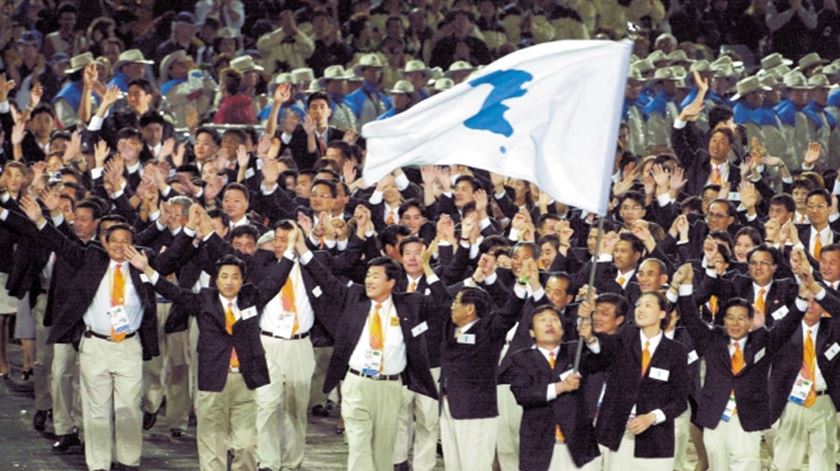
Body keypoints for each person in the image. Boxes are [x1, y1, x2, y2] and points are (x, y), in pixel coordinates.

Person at [17, 197, 159, 471]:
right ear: (103, 242)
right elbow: (61, 243)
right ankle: (99, 465)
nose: (119, 245)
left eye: (125, 240)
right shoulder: (90, 259)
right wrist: (38, 219)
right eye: (113, 240)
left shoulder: (142, 265)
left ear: (133, 243)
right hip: (95, 345)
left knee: (128, 408)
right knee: (96, 411)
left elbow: (174, 254)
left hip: (128, 346)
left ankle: (128, 461)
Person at [295, 227, 446, 471]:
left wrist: (428, 268)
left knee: (383, 450)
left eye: (376, 276)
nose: (369, 280)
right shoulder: (355, 297)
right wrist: (302, 248)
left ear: (391, 282)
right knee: (358, 445)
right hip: (357, 383)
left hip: (390, 386)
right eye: (368, 275)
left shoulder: (410, 304)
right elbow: (327, 281)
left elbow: (443, 303)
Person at [130, 242, 290, 471]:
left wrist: (293, 250)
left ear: (242, 280)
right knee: (211, 442)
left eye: (234, 277)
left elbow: (275, 281)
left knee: (246, 445)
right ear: (215, 280)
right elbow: (172, 291)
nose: (229, 281)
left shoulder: (251, 298)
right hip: (213, 380)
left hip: (245, 380)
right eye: (224, 276)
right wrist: (146, 269)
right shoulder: (204, 300)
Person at [581, 289, 689, 471]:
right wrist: (590, 337)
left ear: (662, 313)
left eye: (648, 305)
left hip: (656, 441)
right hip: (618, 434)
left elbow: (679, 401)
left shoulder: (676, 352)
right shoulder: (624, 339)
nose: (640, 309)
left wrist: (652, 417)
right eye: (638, 305)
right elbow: (603, 348)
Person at [507, 305, 601, 470]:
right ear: (532, 332)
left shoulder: (575, 350)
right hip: (539, 446)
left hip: (578, 446)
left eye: (554, 320)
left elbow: (600, 359)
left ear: (563, 330)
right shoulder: (521, 359)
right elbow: (523, 395)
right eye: (542, 320)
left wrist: (590, 339)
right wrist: (561, 387)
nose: (549, 324)